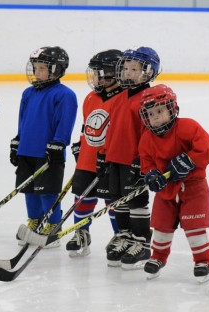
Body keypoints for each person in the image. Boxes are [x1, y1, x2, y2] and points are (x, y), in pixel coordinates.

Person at [137, 84, 209, 281]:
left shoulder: (188, 127)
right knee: (162, 227)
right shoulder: (147, 138)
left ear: (172, 108)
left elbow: (207, 150)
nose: (155, 117)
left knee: (194, 227)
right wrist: (151, 175)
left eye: (159, 111)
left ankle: (203, 260)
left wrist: (189, 160)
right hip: (166, 191)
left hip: (193, 187)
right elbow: (146, 162)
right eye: (151, 113)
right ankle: (158, 257)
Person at [9, 46, 77, 248]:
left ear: (56, 69)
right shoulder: (28, 93)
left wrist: (59, 143)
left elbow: (65, 122)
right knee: (29, 190)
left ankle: (53, 225)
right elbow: (23, 120)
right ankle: (36, 221)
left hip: (48, 152)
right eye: (35, 67)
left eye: (42, 68)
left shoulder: (64, 94)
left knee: (47, 191)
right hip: (27, 150)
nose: (37, 72)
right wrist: (17, 141)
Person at [101, 47, 161, 269]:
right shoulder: (119, 97)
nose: (128, 72)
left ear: (148, 72)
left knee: (136, 201)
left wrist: (143, 162)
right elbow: (113, 129)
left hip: (135, 161)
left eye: (134, 69)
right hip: (115, 158)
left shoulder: (149, 98)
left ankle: (142, 242)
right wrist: (104, 155)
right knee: (118, 200)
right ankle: (124, 236)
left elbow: (150, 134)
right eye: (125, 68)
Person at [65, 49, 123, 257]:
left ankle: (119, 235)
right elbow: (87, 126)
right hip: (88, 158)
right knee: (82, 196)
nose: (97, 78)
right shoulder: (91, 97)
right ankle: (81, 232)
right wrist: (81, 145)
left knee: (111, 200)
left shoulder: (123, 99)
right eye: (95, 72)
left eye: (102, 72)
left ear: (116, 73)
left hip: (110, 160)